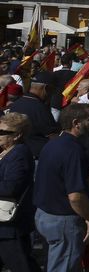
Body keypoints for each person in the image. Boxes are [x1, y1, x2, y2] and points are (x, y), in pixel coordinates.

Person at [34, 103, 89, 272]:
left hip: (46, 215)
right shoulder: (73, 150)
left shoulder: (53, 144)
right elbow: (75, 196)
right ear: (76, 123)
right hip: (63, 220)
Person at [0, 112, 40, 272]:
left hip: (10, 225)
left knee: (21, 265)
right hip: (5, 225)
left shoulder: (19, 154)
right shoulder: (8, 153)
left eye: (3, 132)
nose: (0, 135)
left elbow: (11, 187)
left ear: (17, 135)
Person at [8, 79, 58, 159]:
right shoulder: (40, 108)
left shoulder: (16, 104)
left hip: (17, 152)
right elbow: (53, 135)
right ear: (45, 88)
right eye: (51, 90)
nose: (50, 94)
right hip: (37, 155)